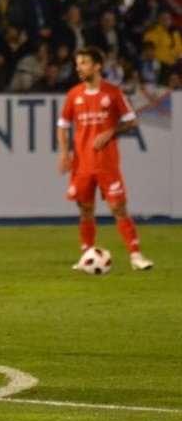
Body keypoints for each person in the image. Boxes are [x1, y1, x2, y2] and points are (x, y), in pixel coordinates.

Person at [58, 46, 155, 272]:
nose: (78, 68)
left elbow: (132, 122)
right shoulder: (74, 94)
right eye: (77, 63)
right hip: (82, 163)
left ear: (97, 66)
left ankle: (136, 256)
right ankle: (86, 257)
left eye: (83, 63)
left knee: (118, 208)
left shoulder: (112, 93)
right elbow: (62, 126)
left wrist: (111, 132)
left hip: (107, 163)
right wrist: (64, 153)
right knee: (85, 210)